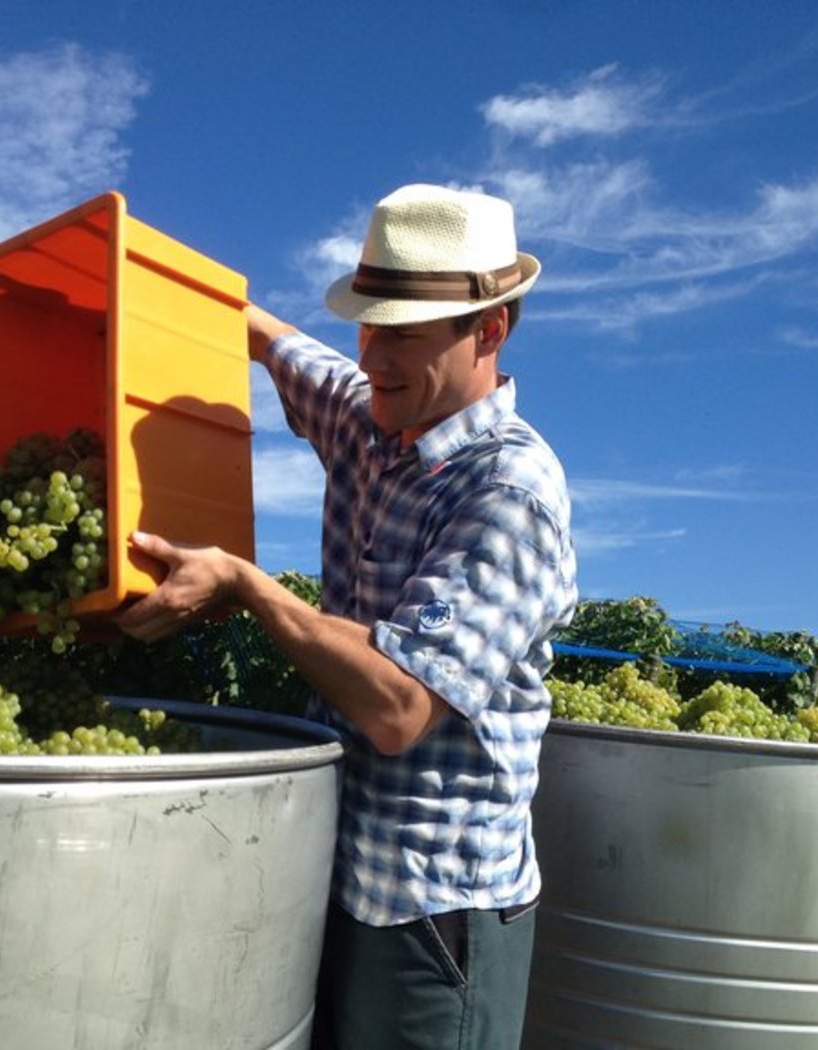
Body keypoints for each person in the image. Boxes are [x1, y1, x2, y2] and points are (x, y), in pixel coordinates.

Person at [116, 183, 578, 1049]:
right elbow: (257, 331)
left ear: (490, 331)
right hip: (337, 879)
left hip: (435, 916)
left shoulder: (511, 492)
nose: (373, 354)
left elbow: (399, 707)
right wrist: (116, 287)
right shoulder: (371, 415)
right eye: (370, 325)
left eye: (403, 333)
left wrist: (248, 587)